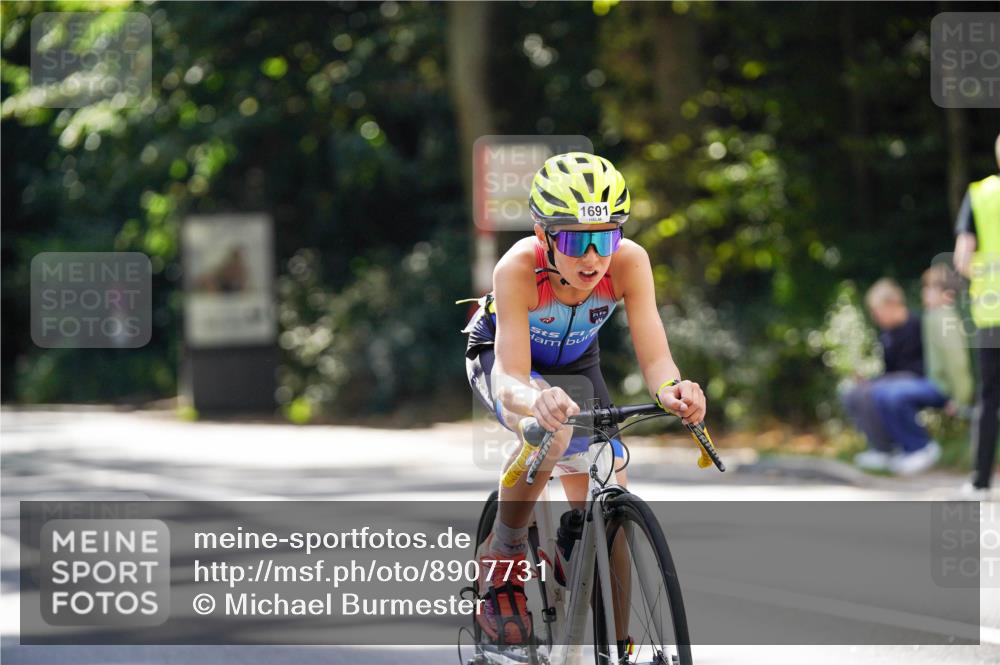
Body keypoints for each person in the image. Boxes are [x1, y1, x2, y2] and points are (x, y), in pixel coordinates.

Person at [462, 152, 706, 645]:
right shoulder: (518, 268)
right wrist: (535, 402)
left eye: (606, 237)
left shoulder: (630, 262)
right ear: (543, 235)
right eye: (575, 240)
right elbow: (510, 377)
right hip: (505, 358)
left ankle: (617, 641)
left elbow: (657, 359)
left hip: (577, 361)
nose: (594, 257)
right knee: (553, 438)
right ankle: (503, 559)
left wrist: (673, 390)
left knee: (609, 482)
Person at [868, 265, 974, 474]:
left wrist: (961, 399)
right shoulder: (932, 317)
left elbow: (957, 364)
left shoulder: (945, 319)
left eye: (930, 290)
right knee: (881, 392)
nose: (924, 294)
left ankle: (921, 447)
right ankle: (904, 448)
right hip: (932, 382)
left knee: (895, 395)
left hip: (943, 389)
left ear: (948, 295)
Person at [953, 133, 1000, 496]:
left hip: (991, 313)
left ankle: (981, 481)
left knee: (990, 398)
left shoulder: (981, 195)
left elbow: (962, 260)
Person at [845, 278, 924, 471]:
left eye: (877, 310)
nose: (875, 316)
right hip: (894, 380)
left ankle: (903, 446)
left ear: (891, 304)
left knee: (876, 392)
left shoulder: (915, 326)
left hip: (915, 379)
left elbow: (914, 368)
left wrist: (880, 382)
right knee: (854, 392)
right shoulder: (887, 334)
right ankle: (882, 448)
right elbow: (889, 370)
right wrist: (871, 380)